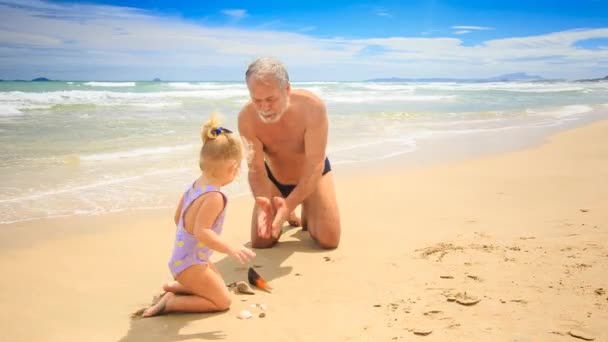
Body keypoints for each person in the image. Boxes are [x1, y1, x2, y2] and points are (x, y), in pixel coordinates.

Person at [137, 115, 256, 317]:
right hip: (191, 264)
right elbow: (202, 232)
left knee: (219, 287)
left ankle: (177, 285)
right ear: (233, 168)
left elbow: (178, 219)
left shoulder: (195, 186)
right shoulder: (215, 197)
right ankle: (171, 302)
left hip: (185, 259)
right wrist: (230, 247)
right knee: (223, 301)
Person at [238, 57, 341, 249]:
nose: (264, 108)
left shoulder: (312, 107)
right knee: (261, 241)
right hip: (274, 179)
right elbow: (256, 170)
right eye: (257, 100)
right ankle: (287, 206)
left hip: (312, 175)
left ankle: (305, 202)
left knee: (329, 240)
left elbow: (315, 164)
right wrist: (262, 205)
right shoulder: (246, 118)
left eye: (271, 99)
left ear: (287, 89)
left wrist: (289, 205)